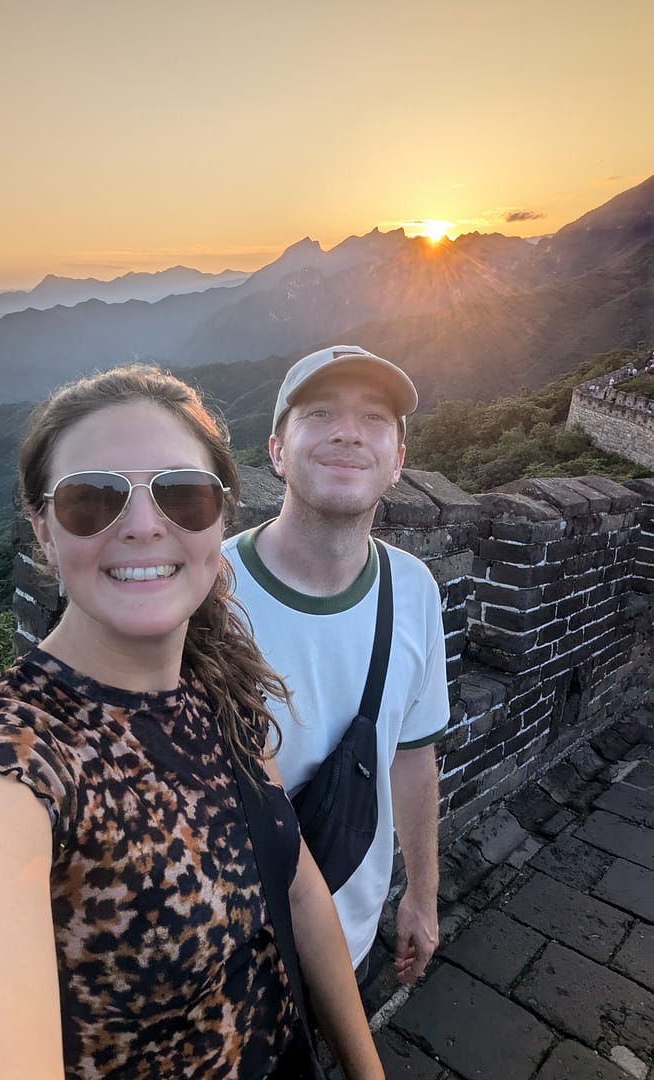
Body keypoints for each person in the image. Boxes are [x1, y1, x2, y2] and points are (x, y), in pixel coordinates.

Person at [0, 366, 384, 1080]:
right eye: (91, 499)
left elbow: (295, 884)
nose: (141, 524)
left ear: (220, 517)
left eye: (182, 494)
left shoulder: (217, 675)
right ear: (43, 531)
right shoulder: (6, 754)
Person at [224, 345, 449, 987]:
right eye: (320, 413)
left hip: (347, 937)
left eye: (375, 418)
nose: (349, 432)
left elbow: (410, 751)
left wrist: (422, 895)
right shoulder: (207, 591)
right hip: (221, 947)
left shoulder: (414, 589)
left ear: (398, 462)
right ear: (276, 450)